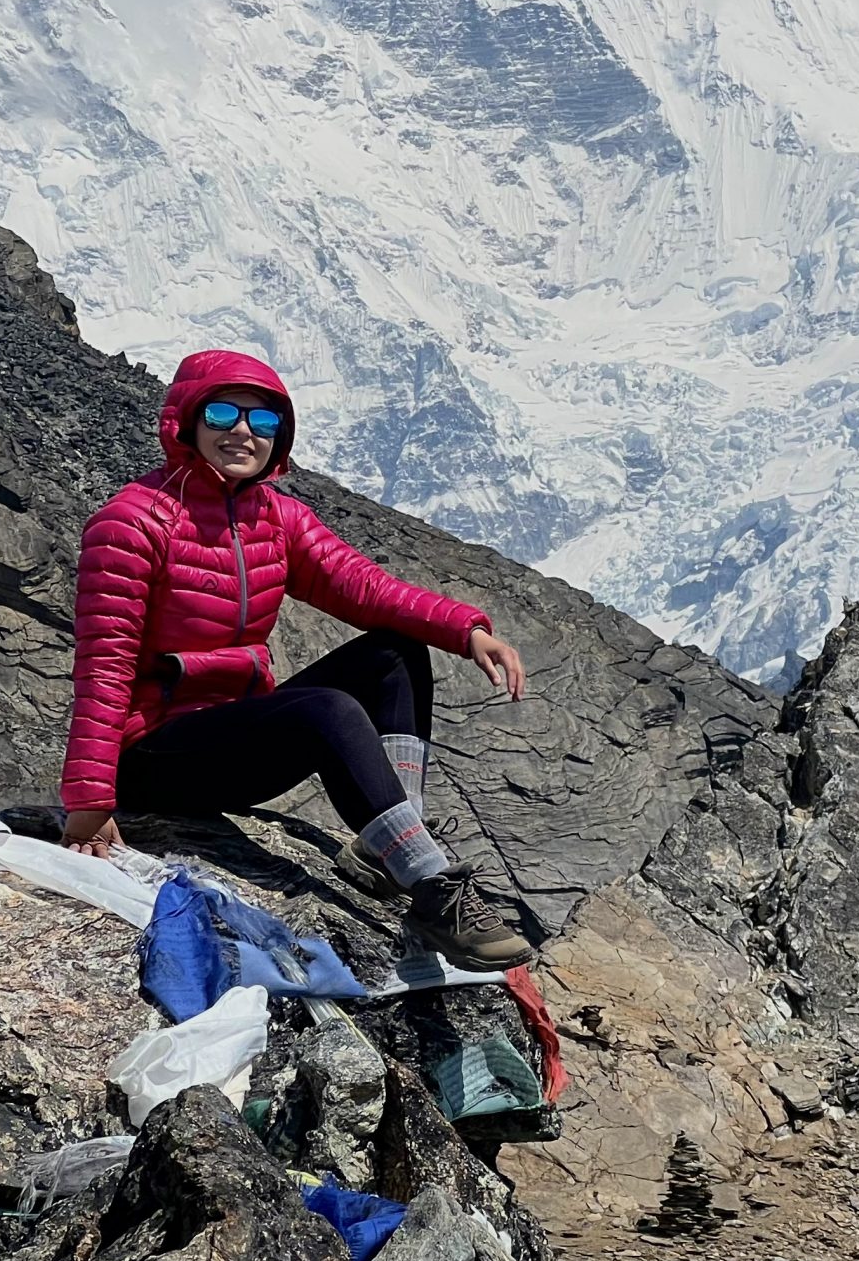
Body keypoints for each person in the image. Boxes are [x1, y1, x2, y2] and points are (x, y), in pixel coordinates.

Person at [57, 347, 535, 969]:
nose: (242, 432)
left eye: (263, 421)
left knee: (394, 653)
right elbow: (105, 666)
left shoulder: (275, 517)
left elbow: (363, 586)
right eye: (224, 413)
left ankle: (393, 851)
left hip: (233, 732)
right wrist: (89, 803)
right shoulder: (130, 524)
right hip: (153, 756)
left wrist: (467, 629)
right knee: (326, 710)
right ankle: (432, 889)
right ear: (187, 422)